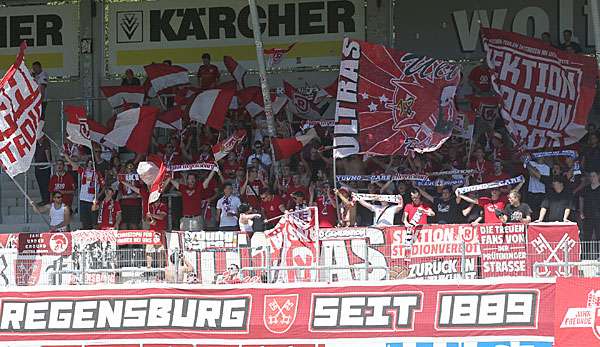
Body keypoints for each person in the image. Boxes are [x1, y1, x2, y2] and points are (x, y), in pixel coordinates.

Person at [63, 155, 103, 229]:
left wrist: (97, 196)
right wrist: (66, 155)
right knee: (84, 222)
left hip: (92, 201)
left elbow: (104, 186)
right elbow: (73, 164)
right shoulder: (83, 171)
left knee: (94, 222)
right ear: (87, 164)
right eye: (89, 163)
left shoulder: (98, 174)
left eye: (92, 164)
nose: (90, 165)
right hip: (83, 200)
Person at [579, 171, 600, 260]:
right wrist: (581, 212)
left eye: (594, 176)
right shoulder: (586, 189)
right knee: (586, 236)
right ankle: (585, 256)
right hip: (588, 216)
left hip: (599, 217)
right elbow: (581, 199)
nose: (592, 178)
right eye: (590, 176)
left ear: (598, 176)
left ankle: (599, 256)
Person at [34, 136, 52, 205]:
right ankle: (44, 199)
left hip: (45, 167)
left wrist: (49, 161)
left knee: (46, 184)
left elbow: (47, 151)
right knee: (41, 185)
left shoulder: (46, 141)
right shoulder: (36, 143)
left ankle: (47, 200)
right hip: (38, 167)